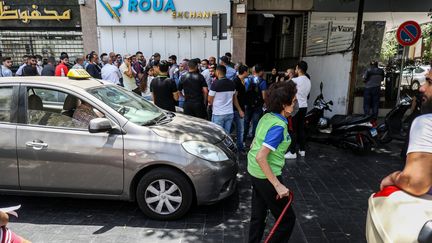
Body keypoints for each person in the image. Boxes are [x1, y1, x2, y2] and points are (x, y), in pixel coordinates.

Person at [247, 81, 297, 243]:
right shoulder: (278, 125)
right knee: (287, 220)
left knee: (258, 215)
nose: (295, 104)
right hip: (266, 175)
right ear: (284, 104)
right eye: (293, 101)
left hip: (255, 172)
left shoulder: (267, 116)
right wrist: (277, 185)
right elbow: (261, 156)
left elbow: (255, 141)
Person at [380, 70, 432, 196]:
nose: (422, 88)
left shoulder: (426, 123)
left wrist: (393, 177)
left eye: (430, 82)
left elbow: (415, 183)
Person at [285, 61, 311, 159]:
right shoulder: (308, 80)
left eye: (296, 68)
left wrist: (290, 76)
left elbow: (285, 87)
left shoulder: (295, 80)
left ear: (298, 68)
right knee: (301, 128)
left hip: (296, 107)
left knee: (292, 130)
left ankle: (292, 152)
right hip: (304, 106)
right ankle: (302, 150)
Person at [208, 65, 236, 133]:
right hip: (229, 112)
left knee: (217, 134)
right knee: (227, 134)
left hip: (218, 113)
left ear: (217, 72)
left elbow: (209, 99)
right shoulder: (232, 83)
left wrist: (214, 105)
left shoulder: (215, 83)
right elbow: (234, 97)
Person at [244, 65, 267, 141]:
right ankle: (254, 141)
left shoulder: (248, 79)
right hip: (258, 106)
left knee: (246, 122)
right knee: (255, 123)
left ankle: (243, 139)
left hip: (248, 104)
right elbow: (264, 96)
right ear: (260, 72)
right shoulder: (262, 81)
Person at [233, 65, 249, 152]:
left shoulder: (242, 80)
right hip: (237, 109)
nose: (249, 73)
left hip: (241, 108)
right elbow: (234, 97)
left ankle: (239, 146)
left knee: (239, 129)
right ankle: (240, 148)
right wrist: (240, 110)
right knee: (240, 130)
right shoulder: (236, 81)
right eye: (248, 71)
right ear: (245, 72)